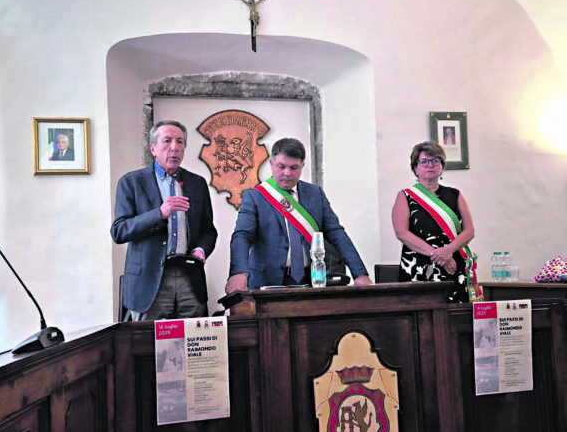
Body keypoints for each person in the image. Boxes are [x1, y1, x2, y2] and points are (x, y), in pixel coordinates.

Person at [226, 137, 372, 293]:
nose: (287, 173)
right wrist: (238, 272)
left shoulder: (315, 194)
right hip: (267, 281)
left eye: (294, 167)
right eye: (281, 166)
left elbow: (336, 233)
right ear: (271, 163)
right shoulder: (255, 196)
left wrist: (360, 273)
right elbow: (242, 236)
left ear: (302, 166)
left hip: (311, 281)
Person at [111, 120, 217, 320]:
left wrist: (201, 250)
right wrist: (159, 213)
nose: (174, 147)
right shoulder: (132, 182)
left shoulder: (197, 183)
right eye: (167, 141)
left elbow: (208, 231)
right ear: (153, 148)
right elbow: (119, 231)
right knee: (148, 339)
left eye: (180, 142)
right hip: (149, 280)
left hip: (189, 277)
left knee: (193, 338)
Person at [391, 141, 475, 302]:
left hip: (453, 265)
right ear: (415, 168)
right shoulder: (405, 196)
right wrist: (437, 254)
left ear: (442, 167)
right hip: (419, 265)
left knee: (455, 312)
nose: (430, 165)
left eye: (435, 160)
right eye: (424, 161)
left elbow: (469, 230)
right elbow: (401, 233)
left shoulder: (455, 194)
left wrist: (448, 250)